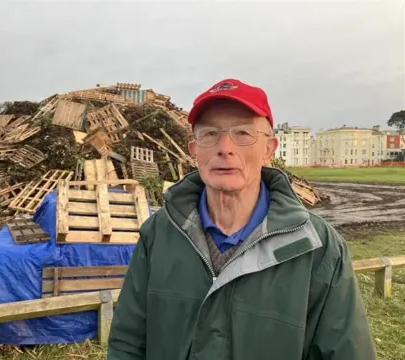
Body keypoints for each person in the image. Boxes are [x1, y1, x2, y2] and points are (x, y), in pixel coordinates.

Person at [107, 79, 377, 360]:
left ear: (269, 149)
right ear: (193, 150)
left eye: (243, 133)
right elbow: (128, 341)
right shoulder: (159, 233)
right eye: (210, 134)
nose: (225, 147)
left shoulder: (317, 247)